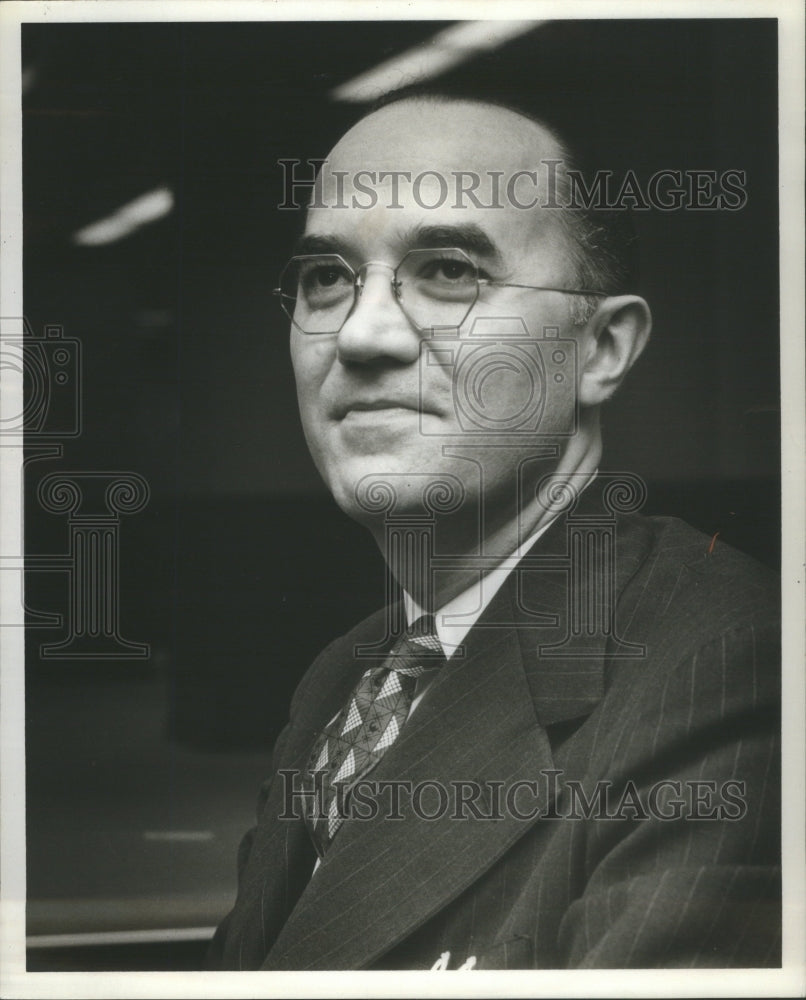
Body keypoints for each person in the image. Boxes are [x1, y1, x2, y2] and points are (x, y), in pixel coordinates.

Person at [206, 94, 780, 970]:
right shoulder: (344, 678)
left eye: (447, 270)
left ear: (602, 349)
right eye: (327, 278)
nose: (360, 334)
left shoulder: (729, 668)